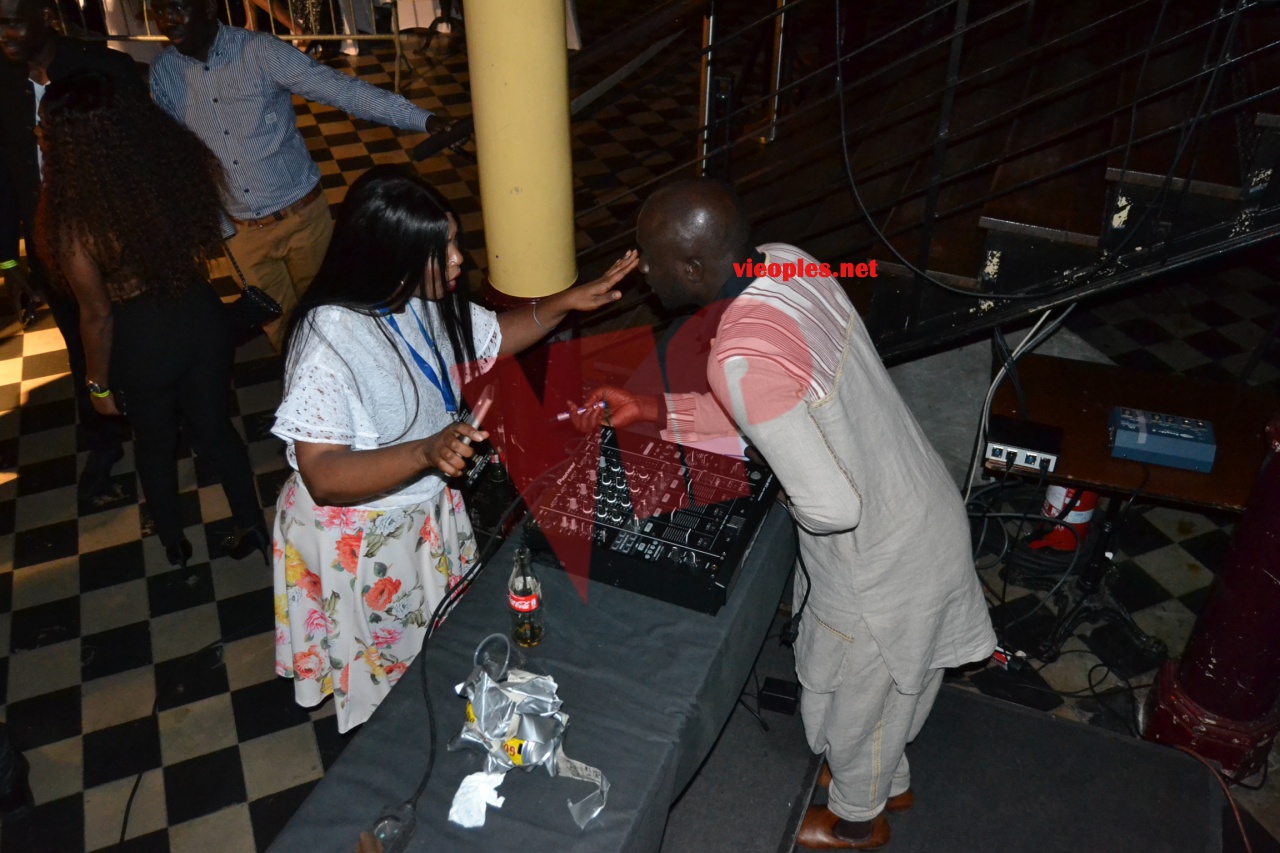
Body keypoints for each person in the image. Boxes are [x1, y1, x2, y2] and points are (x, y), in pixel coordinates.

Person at [571, 179, 996, 851]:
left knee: (857, 698)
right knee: (893, 690)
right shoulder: (788, 261)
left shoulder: (738, 354)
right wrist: (652, 409)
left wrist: (775, 483)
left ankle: (859, 820)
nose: (642, 269)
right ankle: (889, 782)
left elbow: (830, 504)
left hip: (878, 559)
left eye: (651, 257)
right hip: (922, 504)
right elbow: (768, 401)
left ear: (692, 268)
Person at [271, 164, 637, 732]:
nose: (459, 259)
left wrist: (565, 301)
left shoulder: (414, 297)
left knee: (429, 653)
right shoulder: (329, 339)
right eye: (439, 251)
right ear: (389, 256)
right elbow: (321, 473)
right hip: (361, 534)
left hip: (420, 508)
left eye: (454, 241)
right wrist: (424, 453)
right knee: (386, 677)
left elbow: (491, 337)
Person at [36, 72, 268, 569]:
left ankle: (173, 542)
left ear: (69, 143)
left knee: (155, 442)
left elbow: (97, 316)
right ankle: (253, 525)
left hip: (142, 344)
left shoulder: (75, 222)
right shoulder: (164, 172)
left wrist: (97, 385)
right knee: (216, 427)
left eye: (44, 127)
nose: (38, 134)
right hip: (200, 318)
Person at [148, 0, 454, 351]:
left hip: (304, 221)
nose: (166, 20)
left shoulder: (260, 51)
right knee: (284, 335)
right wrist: (219, 229)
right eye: (158, 10)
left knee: (335, 321)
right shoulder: (164, 73)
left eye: (177, 6)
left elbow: (342, 90)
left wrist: (424, 120)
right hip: (242, 237)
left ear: (208, 7)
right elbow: (178, 159)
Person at [0, 0, 141, 501]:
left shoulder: (104, 68)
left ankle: (172, 429)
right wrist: (9, 260)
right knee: (83, 348)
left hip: (121, 248)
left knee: (139, 339)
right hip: (52, 253)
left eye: (12, 21)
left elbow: (143, 160)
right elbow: (4, 179)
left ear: (44, 13)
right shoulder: (3, 82)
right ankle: (104, 443)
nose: (3, 34)